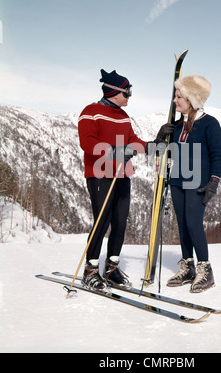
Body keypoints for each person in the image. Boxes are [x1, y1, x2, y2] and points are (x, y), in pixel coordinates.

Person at [78, 69, 172, 292]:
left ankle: (111, 268)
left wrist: (154, 143)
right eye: (128, 92)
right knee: (102, 221)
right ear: (115, 92)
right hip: (100, 174)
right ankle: (90, 271)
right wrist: (114, 151)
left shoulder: (123, 116)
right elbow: (87, 143)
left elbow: (132, 142)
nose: (130, 96)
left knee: (120, 222)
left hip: (122, 174)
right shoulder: (91, 112)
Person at [166, 74, 221, 293]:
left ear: (191, 99)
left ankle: (205, 270)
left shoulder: (210, 124)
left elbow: (218, 155)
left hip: (197, 181)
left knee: (193, 223)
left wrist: (213, 182)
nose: (175, 100)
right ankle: (187, 266)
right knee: (182, 225)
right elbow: (163, 150)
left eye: (179, 96)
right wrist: (162, 134)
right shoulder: (178, 126)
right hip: (177, 180)